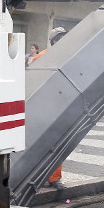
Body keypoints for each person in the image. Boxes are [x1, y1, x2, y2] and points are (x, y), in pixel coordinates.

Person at [31, 27, 68, 189]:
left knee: (58, 142)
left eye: (63, 38)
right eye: (58, 39)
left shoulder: (70, 55)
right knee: (40, 143)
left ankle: (54, 178)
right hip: (43, 106)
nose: (61, 41)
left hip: (61, 105)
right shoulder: (41, 57)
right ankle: (33, 177)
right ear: (52, 41)